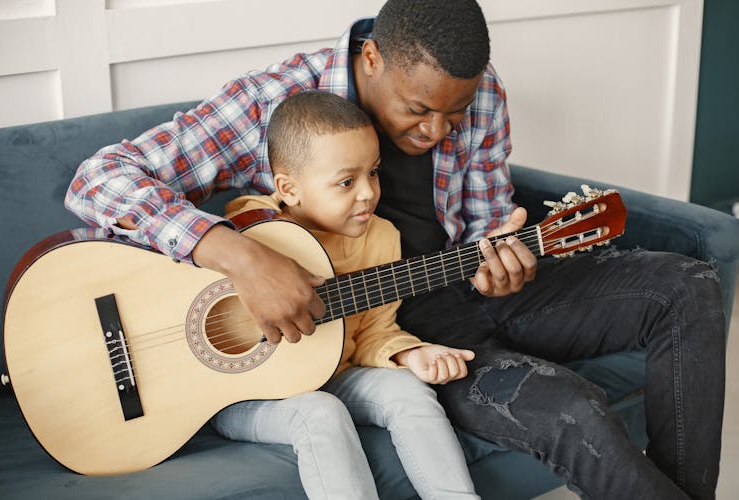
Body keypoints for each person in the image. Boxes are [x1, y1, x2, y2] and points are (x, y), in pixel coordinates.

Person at [64, 0, 726, 499]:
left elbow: (487, 225)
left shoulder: (479, 93)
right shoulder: (277, 102)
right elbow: (99, 182)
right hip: (394, 333)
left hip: (468, 286)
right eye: (417, 110)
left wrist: (505, 261)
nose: (438, 131)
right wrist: (239, 257)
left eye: (454, 114)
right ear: (373, 58)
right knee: (573, 409)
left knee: (690, 285)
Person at [211, 89, 479, 499]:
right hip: (239, 392)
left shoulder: (381, 238)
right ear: (289, 187)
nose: (368, 193)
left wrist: (408, 353)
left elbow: (373, 331)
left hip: (332, 373)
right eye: (346, 181)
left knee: (409, 390)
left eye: (372, 173)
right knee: (321, 412)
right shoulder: (253, 228)